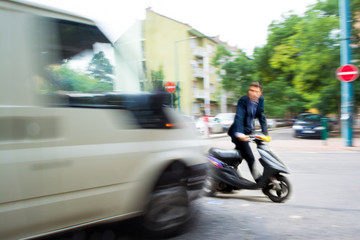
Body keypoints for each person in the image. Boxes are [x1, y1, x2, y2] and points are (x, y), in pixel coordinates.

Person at [228, 81, 268, 182]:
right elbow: (239, 117)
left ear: (260, 93)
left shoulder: (260, 100)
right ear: (248, 91)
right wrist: (240, 134)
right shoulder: (243, 100)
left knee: (239, 155)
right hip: (238, 132)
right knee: (250, 157)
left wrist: (265, 132)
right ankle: (259, 181)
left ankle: (229, 173)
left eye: (256, 91)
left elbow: (261, 115)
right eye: (251, 90)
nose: (253, 93)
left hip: (249, 131)